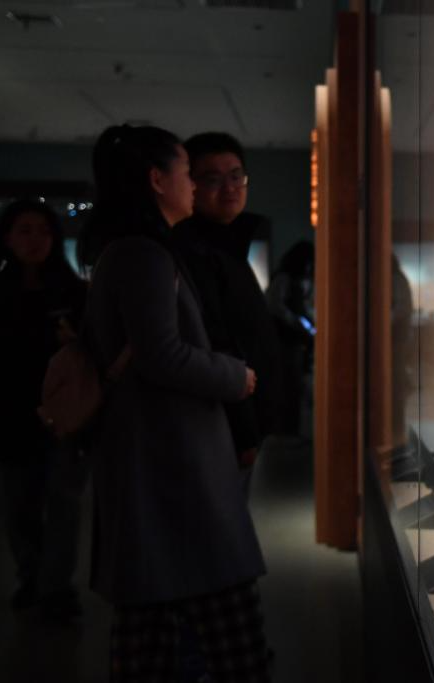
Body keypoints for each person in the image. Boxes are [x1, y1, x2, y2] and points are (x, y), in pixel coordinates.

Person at [78, 124, 270, 682]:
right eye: (188, 173)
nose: (194, 185)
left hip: (163, 455)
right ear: (157, 180)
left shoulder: (136, 251)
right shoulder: (143, 254)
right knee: (217, 622)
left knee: (158, 617)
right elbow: (161, 354)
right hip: (170, 458)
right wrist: (235, 376)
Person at [0, 199, 88, 620]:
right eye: (25, 230)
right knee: (20, 506)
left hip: (64, 417)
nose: (35, 240)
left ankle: (54, 586)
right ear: (7, 237)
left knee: (63, 503)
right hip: (8, 417)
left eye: (44, 231)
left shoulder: (74, 293)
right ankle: (33, 577)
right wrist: (53, 344)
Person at [174, 132, 281, 467]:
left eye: (236, 177)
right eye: (213, 179)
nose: (230, 188)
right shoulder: (195, 251)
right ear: (190, 184)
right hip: (220, 420)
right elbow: (217, 340)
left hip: (243, 412)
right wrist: (244, 431)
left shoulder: (229, 245)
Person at [266, 240, 314, 438]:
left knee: (295, 385)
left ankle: (292, 431)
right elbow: (276, 306)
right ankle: (287, 431)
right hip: (285, 339)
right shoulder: (284, 279)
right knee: (289, 385)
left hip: (295, 339)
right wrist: (299, 323)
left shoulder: (296, 279)